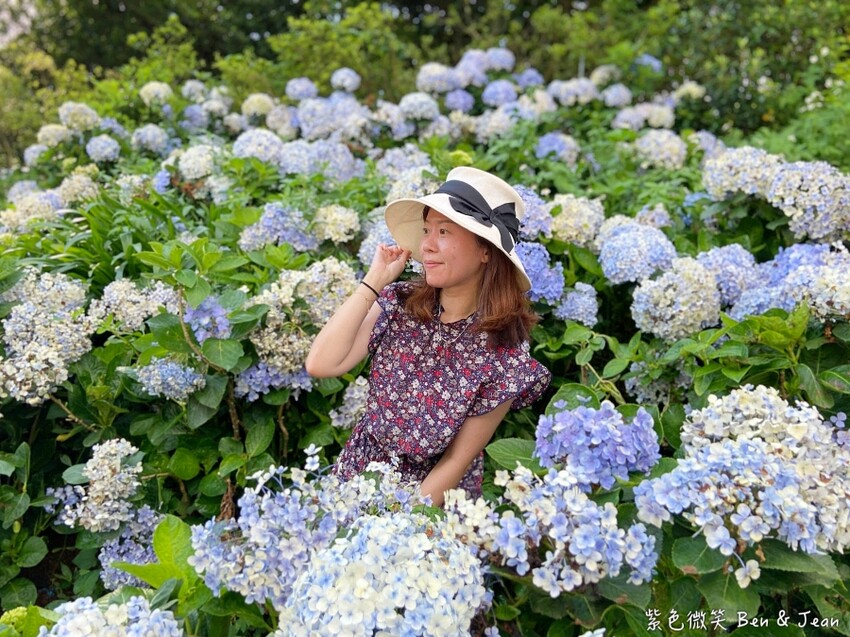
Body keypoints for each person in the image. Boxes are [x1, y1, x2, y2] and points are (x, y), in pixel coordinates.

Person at [306, 166, 551, 506]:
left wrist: (396, 523)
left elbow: (455, 462)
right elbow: (321, 364)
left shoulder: (506, 354)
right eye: (426, 230)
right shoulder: (400, 304)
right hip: (355, 482)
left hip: (427, 508)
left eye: (444, 232)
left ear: (485, 251)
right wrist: (374, 281)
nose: (427, 246)